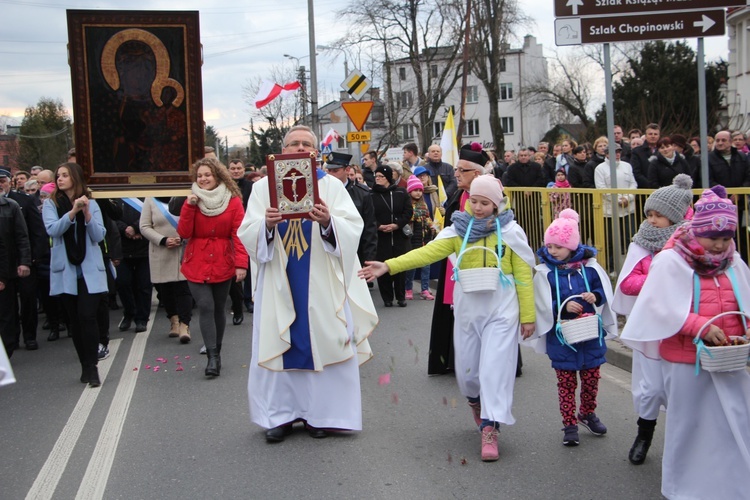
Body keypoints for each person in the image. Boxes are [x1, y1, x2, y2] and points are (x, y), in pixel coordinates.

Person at [359, 174, 536, 462]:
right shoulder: (457, 232)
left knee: (495, 368)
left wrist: (527, 317)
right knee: (468, 375)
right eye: (474, 201)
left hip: (503, 310)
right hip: (467, 309)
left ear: (497, 203)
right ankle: (476, 401)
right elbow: (426, 253)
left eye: (485, 203)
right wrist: (388, 266)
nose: (478, 208)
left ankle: (491, 427)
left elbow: (524, 278)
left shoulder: (512, 232)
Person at [238, 125, 377, 443]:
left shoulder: (331, 186)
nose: (299, 147)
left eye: (306, 144)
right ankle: (279, 416)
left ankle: (322, 415)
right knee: (279, 342)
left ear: (316, 153)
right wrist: (266, 226)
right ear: (282, 150)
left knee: (325, 342)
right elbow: (247, 232)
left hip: (322, 281)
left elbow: (352, 227)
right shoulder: (263, 189)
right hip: (278, 280)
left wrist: (329, 222)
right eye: (293, 143)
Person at [620, 185, 750, 500]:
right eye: (713, 238)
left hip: (728, 356)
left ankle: (731, 485)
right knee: (689, 425)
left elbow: (743, 299)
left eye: (726, 238)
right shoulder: (672, 260)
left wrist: (744, 329)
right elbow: (659, 306)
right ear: (696, 231)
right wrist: (699, 327)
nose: (720, 246)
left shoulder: (732, 260)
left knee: (734, 420)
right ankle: (684, 488)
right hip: (684, 359)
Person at [611, 174, 693, 465]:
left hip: (679, 328)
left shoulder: (690, 244)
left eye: (659, 216)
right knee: (651, 388)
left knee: (681, 389)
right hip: (650, 328)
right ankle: (644, 434)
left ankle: (681, 444)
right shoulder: (641, 243)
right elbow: (627, 283)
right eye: (649, 214)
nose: (652, 220)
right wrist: (656, 281)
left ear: (675, 217)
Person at [533, 209, 616, 446]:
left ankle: (587, 413)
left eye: (558, 246)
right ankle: (569, 424)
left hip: (590, 335)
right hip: (562, 339)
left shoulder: (589, 268)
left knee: (591, 379)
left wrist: (595, 296)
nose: (552, 251)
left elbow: (602, 293)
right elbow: (541, 303)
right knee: (566, 383)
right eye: (549, 246)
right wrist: (563, 306)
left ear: (571, 245)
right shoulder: (546, 274)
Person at [177, 157, 248, 378]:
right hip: (196, 261)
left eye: (207, 175)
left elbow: (239, 233)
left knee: (218, 308)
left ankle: (217, 349)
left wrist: (241, 264)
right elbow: (184, 233)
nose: (203, 179)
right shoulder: (192, 200)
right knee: (205, 305)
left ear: (217, 175)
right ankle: (212, 356)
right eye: (199, 176)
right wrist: (189, 207)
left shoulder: (233, 200)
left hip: (222, 261)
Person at [43, 163, 107, 387]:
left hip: (90, 271)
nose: (60, 179)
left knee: (87, 316)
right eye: (58, 176)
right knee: (76, 322)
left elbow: (99, 235)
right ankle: (85, 365)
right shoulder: (50, 204)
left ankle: (93, 367)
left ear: (75, 178)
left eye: (65, 175)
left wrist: (87, 212)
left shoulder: (93, 203)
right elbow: (52, 230)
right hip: (66, 271)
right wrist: (72, 212)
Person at [140, 196, 192, 344]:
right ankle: (174, 320)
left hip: (183, 249)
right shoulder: (150, 200)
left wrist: (182, 237)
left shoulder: (185, 196)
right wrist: (163, 240)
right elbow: (144, 226)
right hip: (161, 251)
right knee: (166, 290)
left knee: (184, 289)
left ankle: (185, 325)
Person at [324, 152, 377, 266]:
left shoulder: (362, 194)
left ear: (347, 170)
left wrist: (368, 261)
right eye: (329, 171)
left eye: (335, 171)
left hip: (356, 254)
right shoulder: (322, 191)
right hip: (329, 252)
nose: (331, 175)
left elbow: (370, 229)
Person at [0, 168, 32, 358]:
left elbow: (22, 237)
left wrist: (24, 262)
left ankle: (7, 350)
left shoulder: (10, 206)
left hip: (7, 269)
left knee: (7, 313)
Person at [371, 164, 413, 307]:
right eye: (376, 176)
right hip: (381, 238)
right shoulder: (371, 195)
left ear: (388, 177)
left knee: (400, 267)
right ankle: (387, 298)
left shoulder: (401, 192)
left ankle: (401, 297)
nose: (378, 179)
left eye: (381, 176)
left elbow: (408, 212)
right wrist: (378, 226)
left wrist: (397, 225)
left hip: (399, 237)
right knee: (383, 267)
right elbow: (368, 215)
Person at [595, 144, 638, 271]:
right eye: (614, 152)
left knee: (629, 238)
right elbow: (601, 188)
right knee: (610, 241)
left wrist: (628, 198)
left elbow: (633, 184)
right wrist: (618, 199)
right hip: (609, 211)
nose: (617, 154)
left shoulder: (627, 166)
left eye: (619, 151)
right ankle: (611, 268)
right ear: (606, 154)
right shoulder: (600, 168)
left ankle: (631, 267)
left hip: (628, 209)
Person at [403, 175, 435, 300]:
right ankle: (408, 288)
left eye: (420, 190)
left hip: (424, 239)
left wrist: (432, 226)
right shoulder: (408, 204)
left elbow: (427, 218)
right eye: (415, 190)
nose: (418, 193)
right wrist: (415, 215)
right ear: (410, 191)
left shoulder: (424, 204)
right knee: (411, 266)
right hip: (412, 240)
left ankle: (425, 289)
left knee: (426, 266)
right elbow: (407, 218)